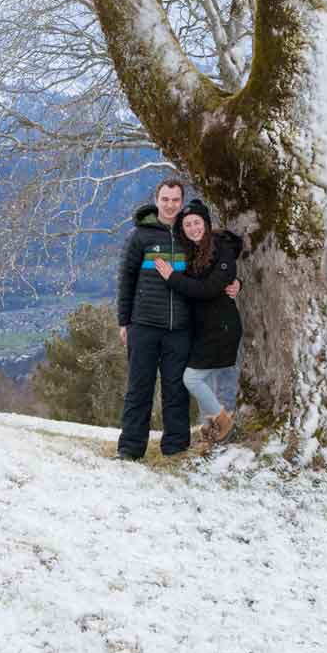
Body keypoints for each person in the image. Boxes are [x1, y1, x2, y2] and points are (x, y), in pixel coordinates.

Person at [152, 200, 245, 445]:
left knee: (191, 379)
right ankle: (211, 428)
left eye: (197, 222)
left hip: (221, 328)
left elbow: (209, 288)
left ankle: (223, 422)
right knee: (205, 379)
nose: (193, 228)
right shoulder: (190, 251)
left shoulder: (221, 249)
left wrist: (171, 278)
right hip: (202, 329)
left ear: (206, 223)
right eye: (187, 225)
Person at [115, 178, 192, 459]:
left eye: (175, 200)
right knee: (139, 388)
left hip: (180, 328)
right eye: (165, 199)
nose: (171, 205)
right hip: (143, 325)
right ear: (157, 200)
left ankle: (176, 448)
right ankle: (130, 449)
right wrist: (124, 322)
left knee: (176, 390)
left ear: (181, 202)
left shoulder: (189, 234)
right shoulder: (140, 236)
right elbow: (126, 281)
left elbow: (212, 264)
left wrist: (237, 284)